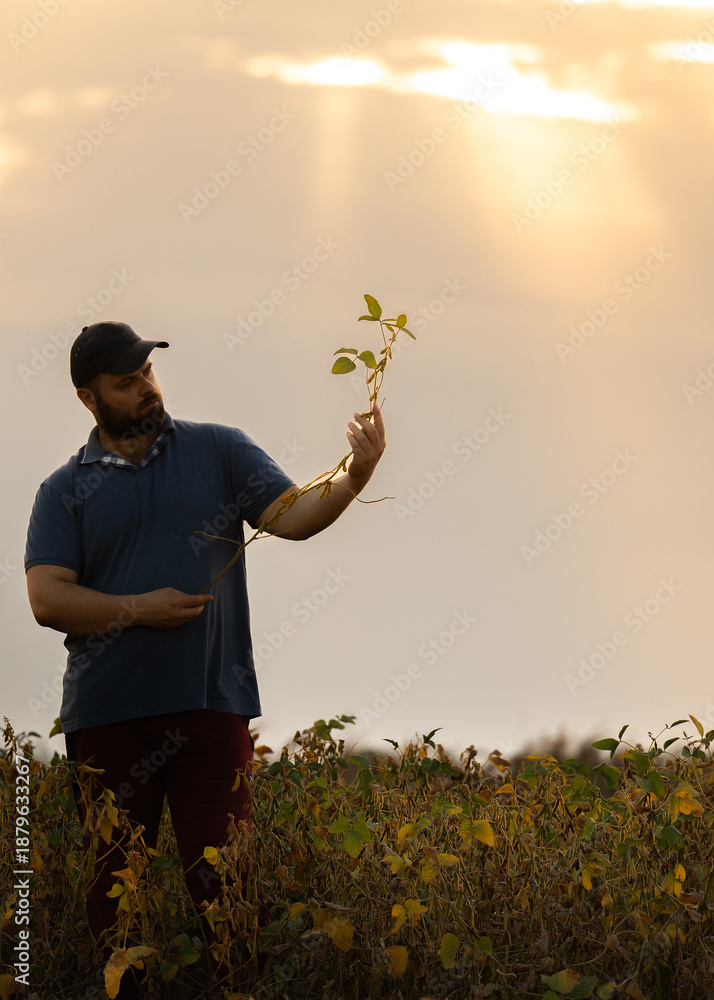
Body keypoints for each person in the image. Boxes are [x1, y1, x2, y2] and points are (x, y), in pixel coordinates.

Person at [24, 320, 386, 997]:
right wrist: (140, 609)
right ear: (88, 398)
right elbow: (46, 598)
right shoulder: (61, 491)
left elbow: (293, 516)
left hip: (209, 708)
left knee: (228, 889)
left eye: (148, 375)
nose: (146, 391)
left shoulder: (219, 450)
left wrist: (357, 475)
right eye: (126, 384)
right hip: (106, 716)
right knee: (115, 896)